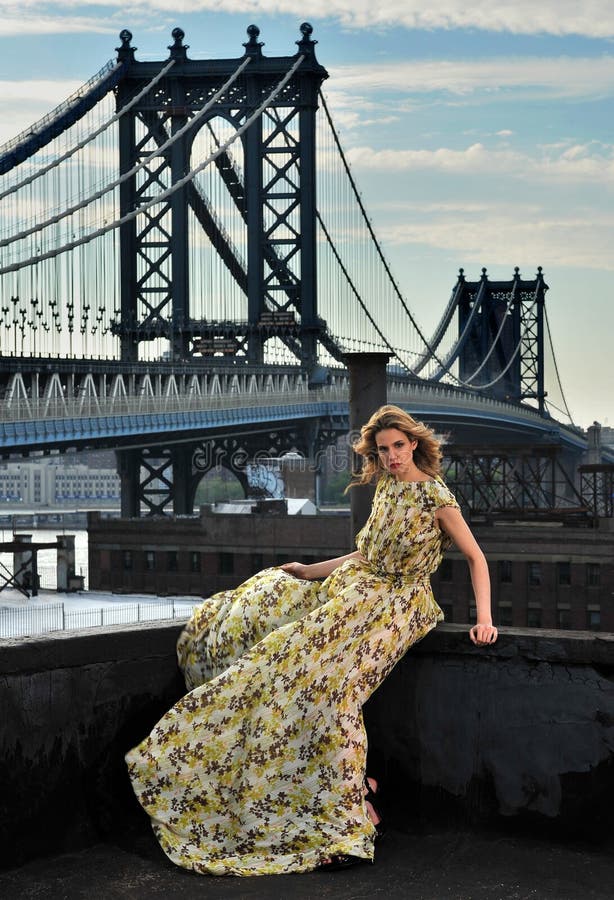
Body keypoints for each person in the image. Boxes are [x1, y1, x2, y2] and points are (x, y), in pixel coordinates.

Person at [125, 404, 497, 877]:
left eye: (398, 446)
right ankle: (343, 788)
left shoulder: (436, 497)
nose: (391, 457)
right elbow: (365, 553)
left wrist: (484, 619)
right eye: (382, 450)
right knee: (277, 662)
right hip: (352, 591)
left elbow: (476, 557)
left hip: (397, 606)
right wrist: (309, 570)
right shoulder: (385, 486)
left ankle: (349, 823)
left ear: (415, 443)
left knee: (335, 696)